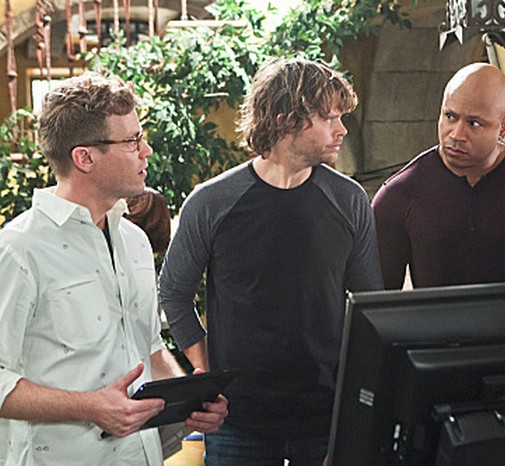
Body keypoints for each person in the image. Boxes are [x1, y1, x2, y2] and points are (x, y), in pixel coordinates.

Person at [158, 57, 383, 465]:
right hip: (237, 424)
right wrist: (209, 374)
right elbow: (173, 291)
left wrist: (353, 416)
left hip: (325, 421)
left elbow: (370, 309)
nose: (342, 129)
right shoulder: (211, 202)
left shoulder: (349, 200)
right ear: (285, 122)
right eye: (329, 118)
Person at [0, 72, 227, 466]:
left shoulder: (135, 241)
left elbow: (149, 349)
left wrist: (191, 400)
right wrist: (90, 407)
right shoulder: (18, 249)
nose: (147, 151)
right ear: (84, 158)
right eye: (132, 141)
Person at [372, 63, 505, 289]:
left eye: (474, 123)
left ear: (503, 127)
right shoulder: (398, 195)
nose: (456, 134)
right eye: (450, 116)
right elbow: (377, 300)